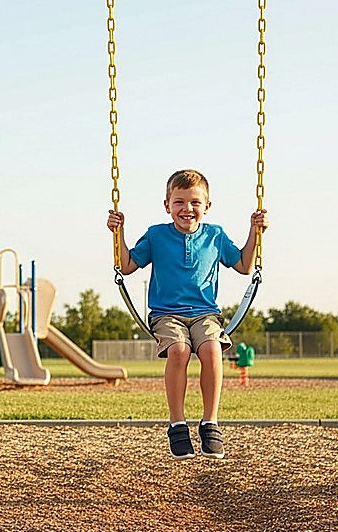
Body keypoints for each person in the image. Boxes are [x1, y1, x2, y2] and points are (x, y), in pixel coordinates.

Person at [106, 169, 268, 461]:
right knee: (179, 351)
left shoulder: (215, 235)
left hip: (206, 314)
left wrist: (255, 233)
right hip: (166, 315)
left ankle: (210, 423)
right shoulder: (156, 235)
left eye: (195, 202)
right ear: (167, 205)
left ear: (207, 205)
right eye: (179, 202)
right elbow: (127, 266)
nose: (187, 208)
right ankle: (177, 424)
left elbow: (244, 266)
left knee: (212, 349)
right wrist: (118, 233)